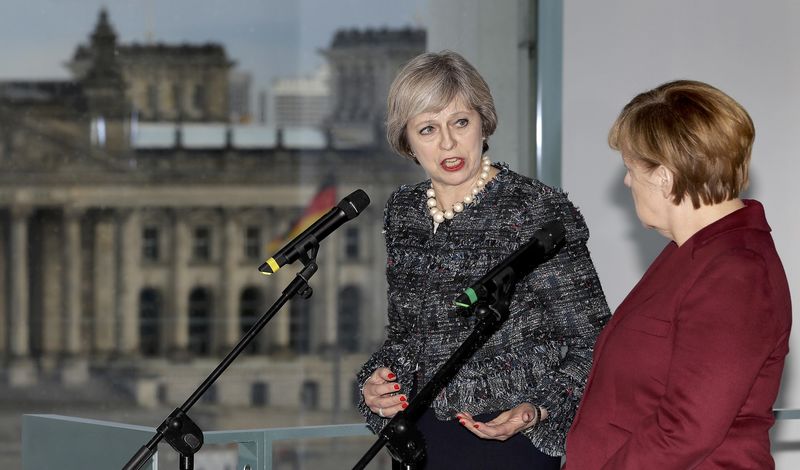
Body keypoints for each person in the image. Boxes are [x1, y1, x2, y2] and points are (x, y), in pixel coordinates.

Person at [356, 50, 610, 469]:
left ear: (483, 122)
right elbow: (406, 335)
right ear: (407, 140)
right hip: (424, 437)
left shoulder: (535, 210)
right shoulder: (404, 212)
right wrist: (378, 382)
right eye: (427, 129)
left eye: (460, 122)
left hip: (508, 438)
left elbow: (595, 343)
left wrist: (537, 409)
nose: (448, 143)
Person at [564, 80, 792, 469]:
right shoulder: (693, 254)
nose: (626, 181)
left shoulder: (736, 272)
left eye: (630, 168)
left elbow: (686, 430)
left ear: (664, 177)